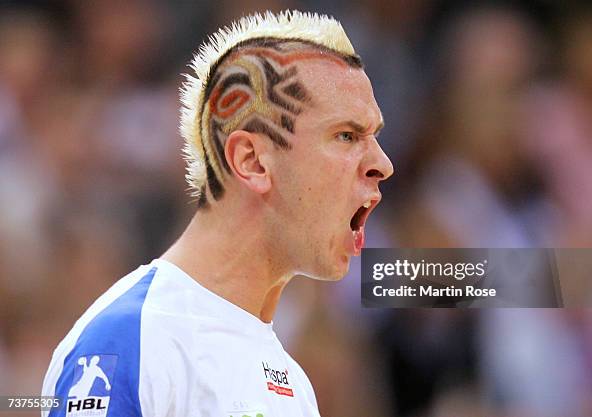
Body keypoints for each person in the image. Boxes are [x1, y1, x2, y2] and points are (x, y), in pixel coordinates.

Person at [41, 10, 393, 417]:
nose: (383, 164)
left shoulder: (293, 381)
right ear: (252, 161)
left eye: (375, 137)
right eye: (347, 135)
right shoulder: (128, 341)